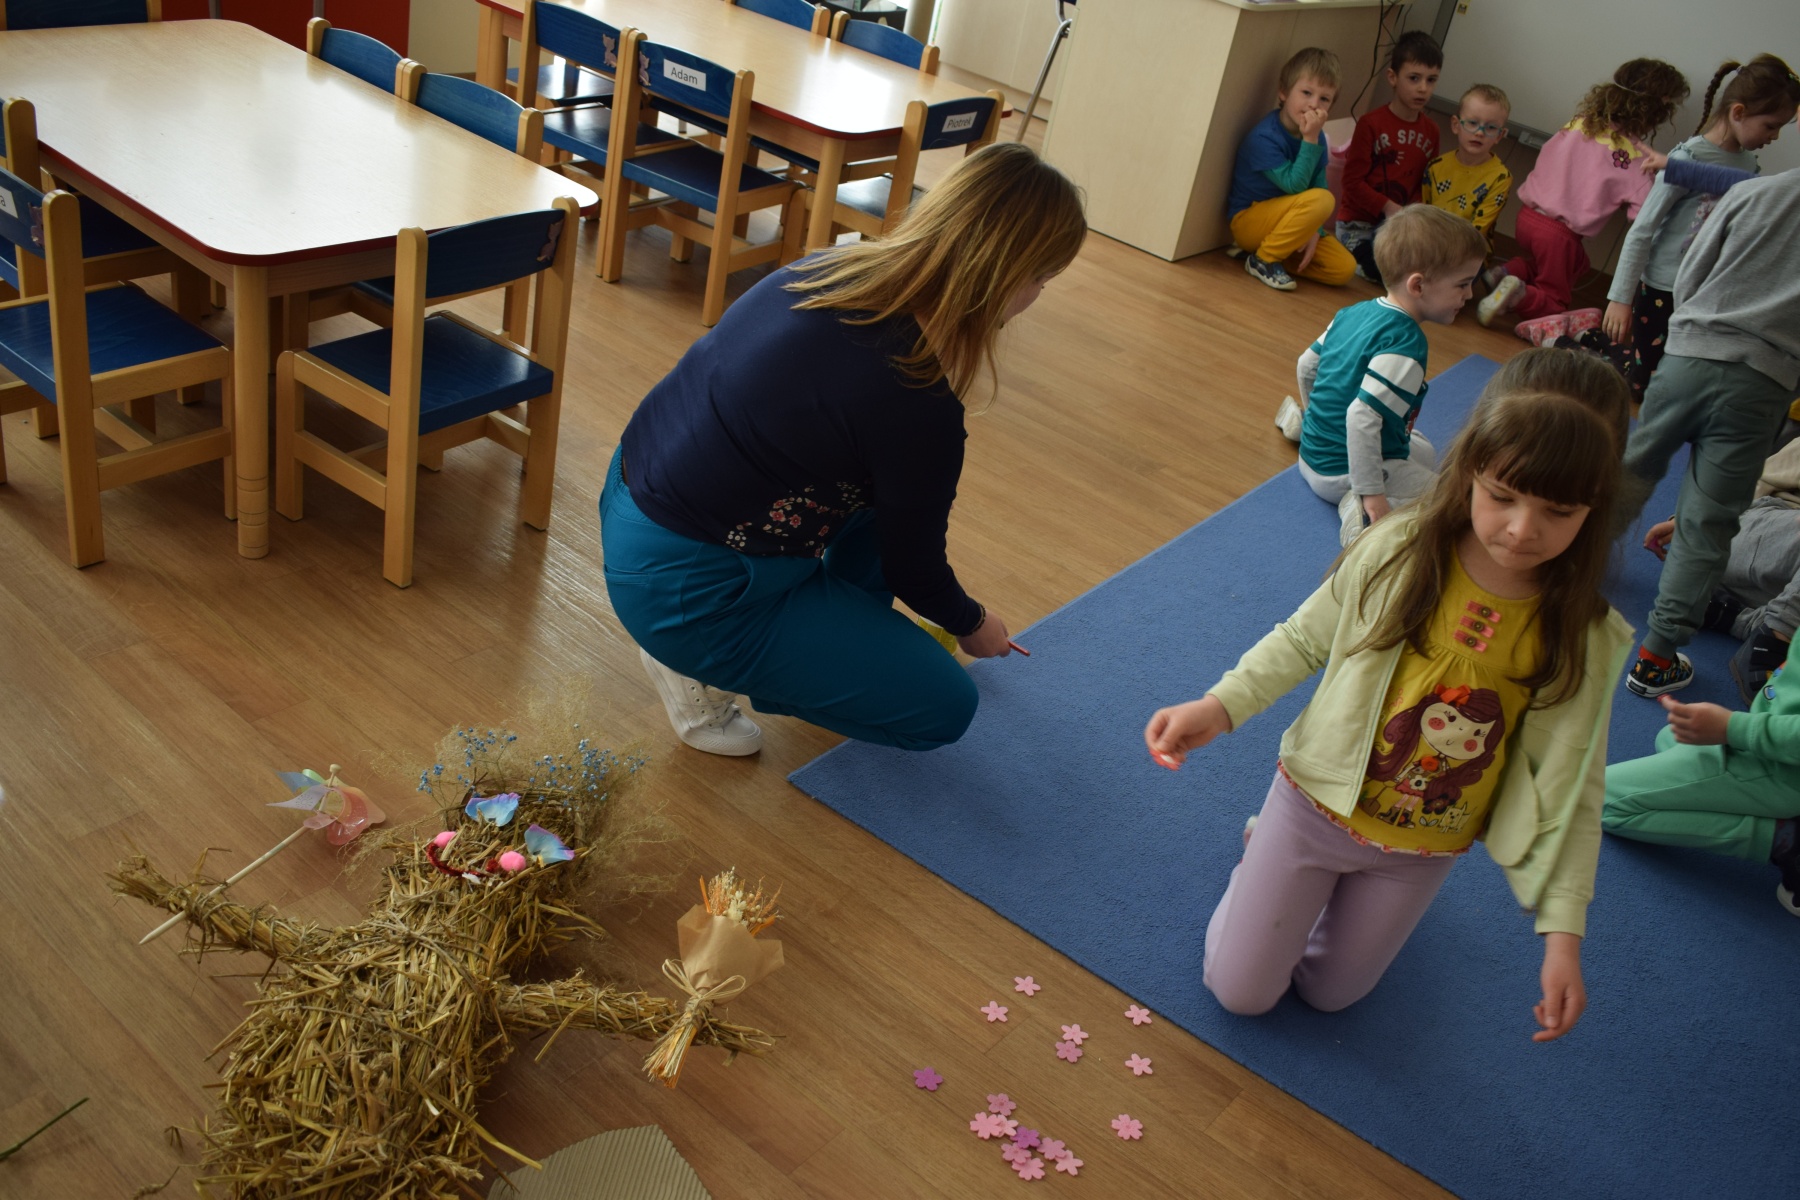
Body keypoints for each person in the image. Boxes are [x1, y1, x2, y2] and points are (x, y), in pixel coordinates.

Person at [1148, 349, 1634, 1037]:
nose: (1523, 530)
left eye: (1558, 511)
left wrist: (1563, 934)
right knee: (1242, 993)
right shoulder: (1401, 546)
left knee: (1331, 994)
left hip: (1419, 851)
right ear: (1472, 469)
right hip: (1314, 805)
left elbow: (1570, 783)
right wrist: (1220, 705)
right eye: (1502, 496)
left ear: (1595, 507)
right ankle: (1266, 857)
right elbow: (1305, 638)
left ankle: (1308, 893)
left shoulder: (1584, 634)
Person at [599, 143, 1086, 756]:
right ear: (1005, 274)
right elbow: (917, 569)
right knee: (945, 707)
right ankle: (698, 664)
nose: (1037, 294)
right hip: (686, 586)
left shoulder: (830, 267)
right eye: (1042, 278)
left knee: (882, 497)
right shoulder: (918, 404)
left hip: (636, 491)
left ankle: (819, 635)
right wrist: (972, 622)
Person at [1614, 168, 1800, 698]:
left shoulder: (1750, 191)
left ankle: (1551, 579)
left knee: (1631, 471)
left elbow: (1691, 271)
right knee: (1707, 523)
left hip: (1688, 353)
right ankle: (1656, 659)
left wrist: (1693, 330)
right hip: (1761, 382)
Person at [1275, 205, 1488, 547]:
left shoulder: (1353, 312)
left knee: (1424, 451)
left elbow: (1306, 366)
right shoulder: (1405, 343)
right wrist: (1371, 493)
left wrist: (1320, 421)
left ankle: (1304, 425)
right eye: (1462, 284)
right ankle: (1357, 509)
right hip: (1342, 475)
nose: (1469, 295)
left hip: (1311, 456)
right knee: (1452, 500)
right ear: (1418, 285)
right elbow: (1361, 417)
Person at [1601, 56, 1799, 403]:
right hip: (1663, 287)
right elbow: (1642, 231)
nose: (1775, 136)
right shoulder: (1688, 158)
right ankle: (1587, 343)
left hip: (1703, 292)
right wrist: (1620, 298)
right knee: (1642, 384)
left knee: (1677, 379)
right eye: (1770, 126)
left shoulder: (1749, 165)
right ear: (1738, 113)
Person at [1478, 59, 1689, 335]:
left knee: (1576, 263)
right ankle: (1519, 295)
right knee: (1554, 301)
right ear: (1657, 113)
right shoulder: (1637, 158)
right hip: (1559, 235)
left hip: (1527, 218)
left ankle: (1507, 272)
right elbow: (1645, 217)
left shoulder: (1580, 123)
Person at [1602, 644, 1800, 916]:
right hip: (1771, 748)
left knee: (1605, 800)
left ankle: (1784, 839)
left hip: (1782, 772)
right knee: (1671, 736)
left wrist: (1732, 728)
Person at [1642, 434, 1800, 703]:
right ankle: (1775, 637)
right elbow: (1756, 481)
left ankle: (1738, 618)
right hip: (1763, 538)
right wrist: (1692, 522)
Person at [1227, 47, 1356, 292]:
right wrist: (1310, 139)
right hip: (1249, 223)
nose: (1313, 104)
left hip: (1291, 222)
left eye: (1324, 99)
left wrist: (1315, 230)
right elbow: (1295, 186)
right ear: (1284, 92)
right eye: (1306, 93)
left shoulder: (1317, 137)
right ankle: (1263, 259)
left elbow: (1319, 183)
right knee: (1323, 199)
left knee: (1344, 268)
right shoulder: (1265, 137)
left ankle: (1273, 254)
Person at [1337, 31, 1443, 285]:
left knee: (1432, 266)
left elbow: (1424, 185)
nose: (1423, 88)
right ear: (1393, 77)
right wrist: (1387, 207)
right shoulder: (1370, 124)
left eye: (1431, 80)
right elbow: (1352, 182)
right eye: (1414, 78)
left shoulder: (1432, 131)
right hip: (1359, 226)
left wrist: (1412, 216)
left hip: (1400, 227)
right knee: (1386, 270)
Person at [1422, 84, 1513, 248]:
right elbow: (1423, 214)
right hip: (1429, 243)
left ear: (1499, 136)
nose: (1480, 132)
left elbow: (1476, 232)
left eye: (1491, 127)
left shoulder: (1500, 177)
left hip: (1468, 250)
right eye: (1472, 123)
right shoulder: (1435, 167)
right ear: (1456, 125)